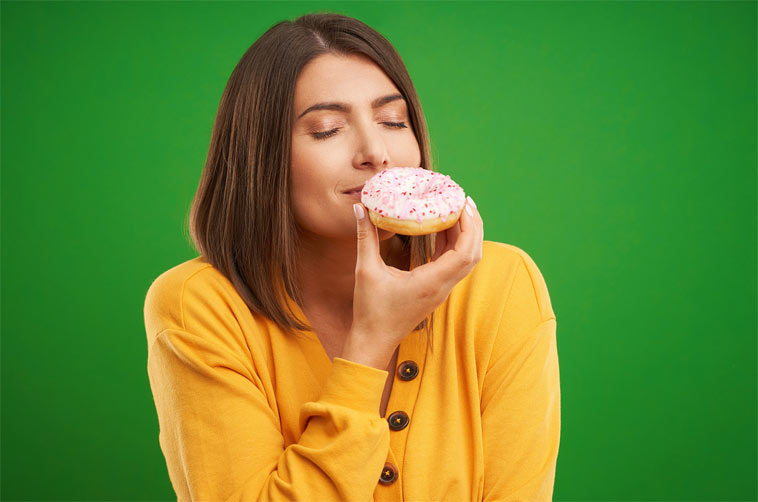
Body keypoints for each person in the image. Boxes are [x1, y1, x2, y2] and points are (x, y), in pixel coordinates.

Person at [144, 12, 560, 502]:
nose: (376, 151)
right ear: (262, 157)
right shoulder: (200, 308)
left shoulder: (502, 285)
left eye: (392, 120)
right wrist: (370, 346)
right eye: (326, 129)